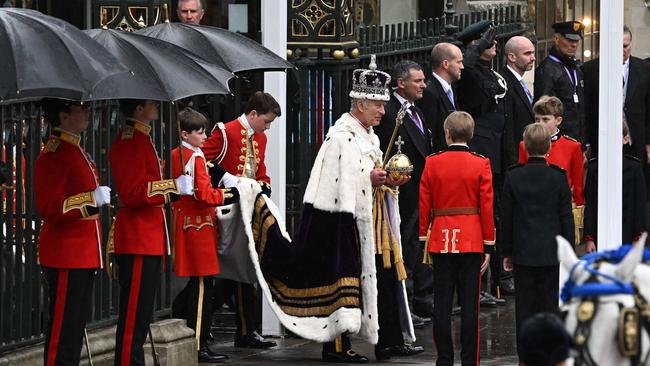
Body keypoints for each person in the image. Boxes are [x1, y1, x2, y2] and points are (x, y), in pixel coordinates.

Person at [110, 99, 195, 366]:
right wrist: (172, 187)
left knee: (141, 315)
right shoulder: (130, 141)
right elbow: (133, 193)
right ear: (138, 109)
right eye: (150, 103)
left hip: (148, 238)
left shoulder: (141, 138)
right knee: (134, 315)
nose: (156, 106)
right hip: (137, 239)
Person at [35, 99, 111, 366]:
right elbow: (48, 206)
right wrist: (89, 199)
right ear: (64, 116)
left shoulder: (74, 148)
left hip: (82, 253)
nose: (87, 113)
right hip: (65, 254)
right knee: (63, 331)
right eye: (81, 109)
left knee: (74, 329)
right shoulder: (56, 152)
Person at [201, 91, 279, 349]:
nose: (267, 128)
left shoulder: (261, 138)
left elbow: (261, 170)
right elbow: (201, 159)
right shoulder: (225, 132)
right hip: (227, 209)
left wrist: (263, 188)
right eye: (265, 121)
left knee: (246, 268)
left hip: (249, 208)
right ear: (253, 113)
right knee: (232, 271)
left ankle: (245, 330)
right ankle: (197, 321)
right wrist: (225, 177)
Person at [419, 111, 495, 366]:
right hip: (472, 239)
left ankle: (444, 359)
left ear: (447, 134)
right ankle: (469, 361)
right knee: (470, 306)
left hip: (441, 237)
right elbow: (486, 205)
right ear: (471, 135)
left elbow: (424, 204)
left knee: (441, 305)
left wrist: (423, 238)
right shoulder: (481, 163)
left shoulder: (432, 162)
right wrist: (488, 244)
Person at [170, 108, 240, 363]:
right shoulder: (196, 158)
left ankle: (195, 336)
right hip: (199, 227)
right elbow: (205, 194)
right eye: (200, 132)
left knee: (195, 286)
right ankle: (199, 343)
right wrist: (232, 194)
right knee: (203, 287)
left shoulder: (176, 153)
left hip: (184, 224)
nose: (204, 136)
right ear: (186, 134)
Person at [501, 123, 574, 358]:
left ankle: (526, 357)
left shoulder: (514, 176)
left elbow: (507, 219)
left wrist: (507, 252)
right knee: (550, 307)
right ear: (549, 147)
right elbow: (566, 218)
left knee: (524, 308)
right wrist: (568, 252)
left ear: (525, 146)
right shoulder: (558, 177)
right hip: (550, 253)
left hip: (523, 252)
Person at [373, 59, 427, 358]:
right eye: (417, 81)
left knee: (412, 250)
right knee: (401, 252)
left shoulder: (415, 110)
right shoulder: (391, 112)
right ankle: (403, 306)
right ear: (400, 83)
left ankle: (408, 306)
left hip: (414, 192)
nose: (423, 85)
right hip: (397, 197)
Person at [456, 20, 508, 306]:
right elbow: (468, 64)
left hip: (497, 151)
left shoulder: (488, 72)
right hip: (481, 150)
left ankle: (492, 280)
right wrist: (478, 45)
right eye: (490, 42)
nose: (494, 46)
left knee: (493, 216)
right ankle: (476, 285)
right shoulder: (470, 71)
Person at [518, 96, 584, 245]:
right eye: (537, 119)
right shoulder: (524, 146)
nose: (540, 124)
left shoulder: (572, 147)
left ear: (558, 121)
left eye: (545, 119)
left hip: (560, 212)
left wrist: (578, 217)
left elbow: (578, 185)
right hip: (532, 212)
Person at [582, 26, 650, 165]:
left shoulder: (644, 68)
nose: (622, 50)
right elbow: (585, 109)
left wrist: (649, 142)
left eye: (625, 46)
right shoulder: (590, 69)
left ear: (631, 44)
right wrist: (586, 141)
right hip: (601, 140)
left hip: (636, 140)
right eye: (618, 46)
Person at [583, 120, 646, 252]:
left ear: (625, 139)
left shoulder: (634, 167)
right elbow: (590, 204)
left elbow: (640, 205)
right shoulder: (595, 168)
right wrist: (590, 238)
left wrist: (638, 237)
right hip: (601, 233)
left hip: (628, 235)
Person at [534, 21, 585, 143]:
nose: (574, 45)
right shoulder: (547, 69)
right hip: (559, 140)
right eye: (569, 40)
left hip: (577, 139)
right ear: (556, 39)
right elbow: (544, 110)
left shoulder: (575, 67)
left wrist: (584, 142)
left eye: (576, 41)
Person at [416, 42, 463, 152]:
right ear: (445, 64)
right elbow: (430, 135)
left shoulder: (450, 87)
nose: (462, 66)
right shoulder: (430, 93)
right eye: (459, 62)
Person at [503, 36, 536, 163]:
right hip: (516, 157)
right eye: (527, 54)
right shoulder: (506, 82)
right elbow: (508, 126)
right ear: (512, 57)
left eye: (532, 53)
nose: (533, 58)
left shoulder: (519, 80)